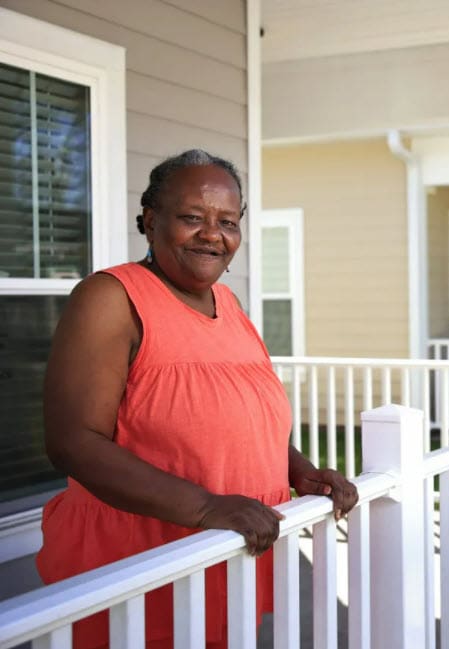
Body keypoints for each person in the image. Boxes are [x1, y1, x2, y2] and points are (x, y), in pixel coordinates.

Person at [36, 149, 358, 649]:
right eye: (192, 218)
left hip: (223, 556)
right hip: (137, 565)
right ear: (149, 220)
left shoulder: (228, 304)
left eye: (227, 221)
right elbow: (74, 442)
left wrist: (299, 472)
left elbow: (245, 417)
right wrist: (206, 506)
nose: (213, 234)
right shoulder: (111, 297)